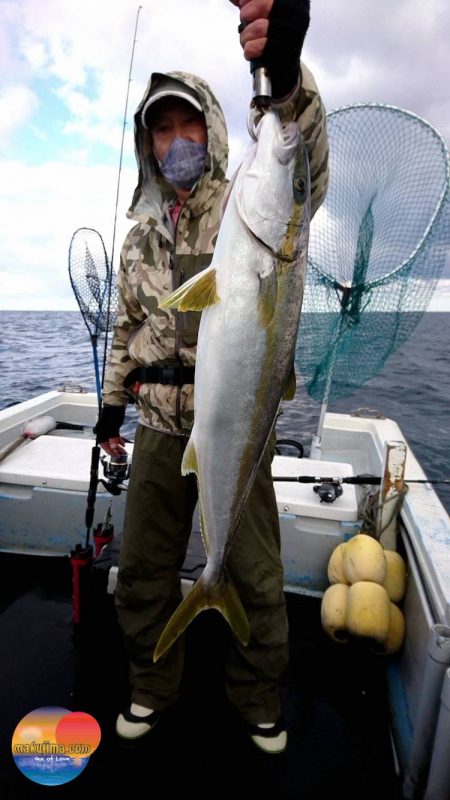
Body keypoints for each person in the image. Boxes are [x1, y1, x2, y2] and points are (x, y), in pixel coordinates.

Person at [95, 0, 328, 755]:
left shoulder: (243, 201)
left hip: (238, 429)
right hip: (163, 430)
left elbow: (304, 172)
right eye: (160, 130)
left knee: (257, 573)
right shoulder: (137, 240)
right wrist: (108, 413)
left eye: (186, 124)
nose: (174, 141)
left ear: (213, 130)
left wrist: (287, 83)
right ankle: (151, 684)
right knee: (142, 573)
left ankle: (257, 695)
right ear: (147, 144)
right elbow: (125, 332)